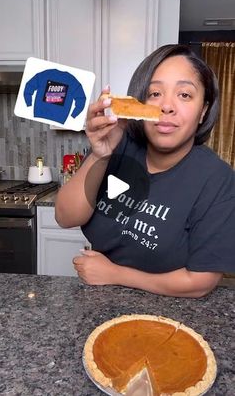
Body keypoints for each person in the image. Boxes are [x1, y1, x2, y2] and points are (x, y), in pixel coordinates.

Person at [55, 44, 235, 298]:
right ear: (140, 102)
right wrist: (100, 154)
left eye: (184, 95)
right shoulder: (119, 144)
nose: (167, 107)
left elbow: (201, 281)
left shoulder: (217, 180)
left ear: (203, 110)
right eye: (154, 93)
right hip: (98, 301)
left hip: (171, 310)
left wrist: (115, 274)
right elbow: (65, 217)